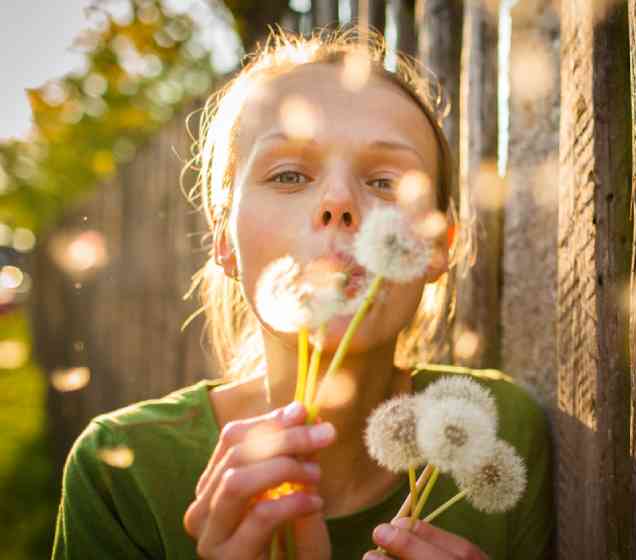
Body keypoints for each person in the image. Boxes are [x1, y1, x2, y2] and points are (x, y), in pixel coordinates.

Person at [52, 26, 553, 560]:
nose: (338, 202)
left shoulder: (500, 431)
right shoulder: (120, 474)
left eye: (385, 182)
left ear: (438, 246)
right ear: (224, 240)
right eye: (289, 175)